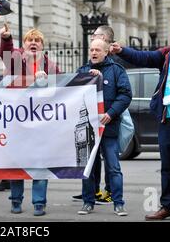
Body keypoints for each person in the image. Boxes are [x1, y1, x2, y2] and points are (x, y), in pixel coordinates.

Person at [111, 19, 170, 222]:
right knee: (167, 167)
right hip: (167, 120)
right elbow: (143, 57)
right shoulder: (167, 54)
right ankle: (168, 206)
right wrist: (121, 50)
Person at [0, 24, 60, 216]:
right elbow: (6, 52)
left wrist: (48, 80)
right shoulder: (16, 58)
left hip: (41, 122)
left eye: (37, 41)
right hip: (17, 121)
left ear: (42, 45)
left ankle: (39, 203)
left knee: (40, 163)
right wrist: (7, 38)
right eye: (30, 40)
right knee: (18, 163)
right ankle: (16, 200)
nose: (33, 43)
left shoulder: (51, 65)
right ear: (24, 44)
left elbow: (61, 90)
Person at [76, 39, 132, 216]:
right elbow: (73, 95)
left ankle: (118, 203)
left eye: (98, 50)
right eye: (91, 49)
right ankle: (87, 202)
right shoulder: (82, 71)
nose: (93, 52)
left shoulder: (116, 71)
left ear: (106, 52)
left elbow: (125, 95)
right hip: (89, 130)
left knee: (113, 167)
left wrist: (112, 113)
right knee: (88, 168)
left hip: (109, 128)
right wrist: (89, 79)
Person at [72, 25, 114, 205]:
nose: (93, 48)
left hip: (108, 119)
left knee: (111, 160)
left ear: (105, 40)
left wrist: (111, 112)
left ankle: (111, 192)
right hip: (89, 121)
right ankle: (92, 191)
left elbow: (121, 91)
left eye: (96, 37)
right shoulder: (87, 65)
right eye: (92, 48)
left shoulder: (113, 64)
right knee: (91, 159)